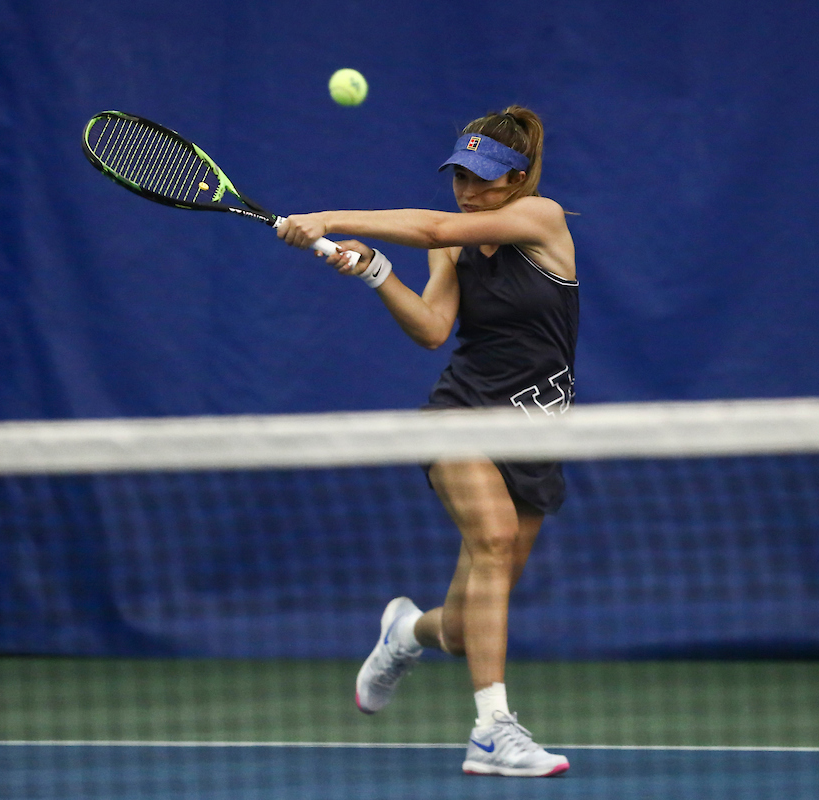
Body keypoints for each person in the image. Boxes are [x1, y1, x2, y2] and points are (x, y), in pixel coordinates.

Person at [277, 105, 577, 778]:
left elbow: (436, 224)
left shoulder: (543, 220)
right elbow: (434, 329)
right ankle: (493, 731)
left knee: (466, 630)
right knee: (494, 538)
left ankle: (405, 633)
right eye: (460, 176)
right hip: (460, 415)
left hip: (535, 432)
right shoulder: (454, 243)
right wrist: (377, 273)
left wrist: (329, 219)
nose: (469, 191)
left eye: (486, 179)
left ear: (519, 180)